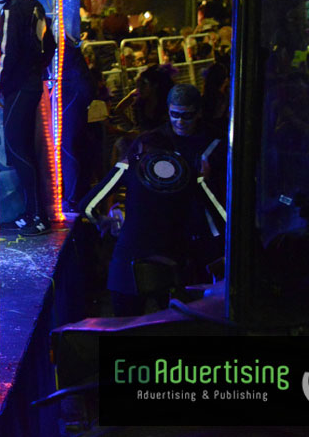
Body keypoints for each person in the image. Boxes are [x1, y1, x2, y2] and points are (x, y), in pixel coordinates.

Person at [80, 83, 227, 316]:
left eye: (186, 115)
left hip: (165, 255)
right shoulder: (187, 172)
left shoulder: (143, 157)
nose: (180, 121)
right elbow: (221, 214)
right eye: (175, 115)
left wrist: (105, 219)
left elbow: (88, 205)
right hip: (172, 257)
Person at [0, 0, 55, 236]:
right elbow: (49, 46)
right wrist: (34, 69)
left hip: (19, 86)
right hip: (29, 84)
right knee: (24, 151)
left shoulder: (13, 9)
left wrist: (0, 86)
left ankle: (37, 215)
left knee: (18, 151)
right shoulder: (33, 5)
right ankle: (33, 213)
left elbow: (7, 55)